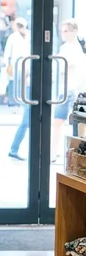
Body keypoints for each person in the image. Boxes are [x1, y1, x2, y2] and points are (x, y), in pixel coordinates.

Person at [53, 19, 85, 159]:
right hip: (64, 89)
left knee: (76, 124)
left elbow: (72, 67)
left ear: (74, 31)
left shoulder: (77, 48)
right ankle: (55, 152)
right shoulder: (64, 47)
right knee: (58, 121)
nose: (63, 34)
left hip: (73, 89)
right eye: (62, 31)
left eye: (66, 31)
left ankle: (75, 154)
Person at [6, 18, 32, 160]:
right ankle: (14, 148)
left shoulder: (28, 37)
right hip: (20, 74)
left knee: (28, 118)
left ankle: (15, 148)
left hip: (26, 77)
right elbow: (8, 55)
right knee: (27, 118)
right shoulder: (13, 37)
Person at [2, 17, 30, 108]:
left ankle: (15, 101)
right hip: (20, 64)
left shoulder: (14, 36)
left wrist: (5, 62)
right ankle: (18, 101)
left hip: (21, 64)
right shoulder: (24, 36)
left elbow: (7, 52)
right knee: (18, 83)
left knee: (15, 83)